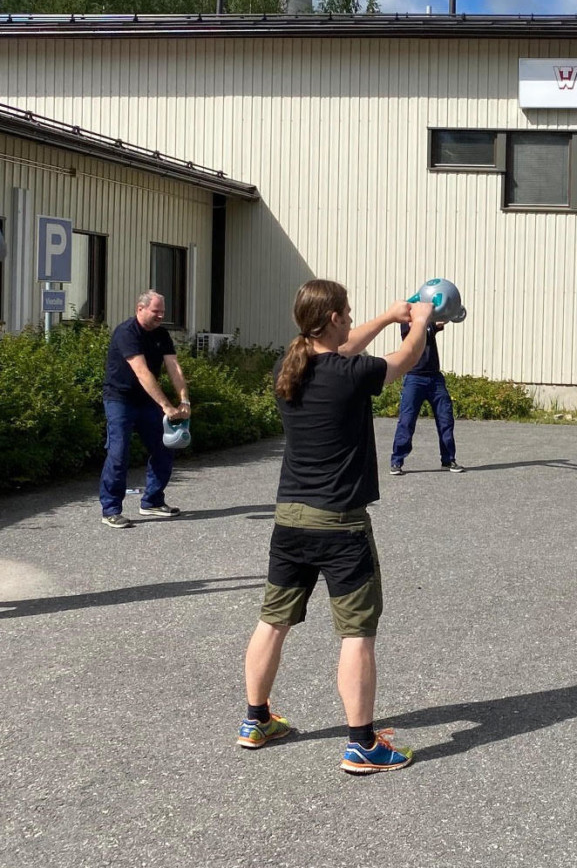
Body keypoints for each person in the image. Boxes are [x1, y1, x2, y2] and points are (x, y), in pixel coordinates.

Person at [237, 280, 432, 774]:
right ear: (335, 320)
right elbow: (406, 359)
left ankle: (255, 721)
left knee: (272, 621)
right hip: (341, 525)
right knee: (357, 634)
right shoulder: (353, 372)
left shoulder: (290, 366)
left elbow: (339, 347)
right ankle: (362, 744)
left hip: (290, 522)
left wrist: (390, 316)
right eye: (348, 311)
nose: (352, 317)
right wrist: (421, 322)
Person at [99, 290, 191, 529]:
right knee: (118, 452)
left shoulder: (161, 334)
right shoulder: (126, 333)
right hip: (120, 399)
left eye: (163, 312)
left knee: (164, 447)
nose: (161, 316)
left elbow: (174, 368)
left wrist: (184, 401)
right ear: (140, 309)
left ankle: (152, 501)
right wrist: (166, 406)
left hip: (146, 401)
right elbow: (142, 373)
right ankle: (111, 509)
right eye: (156, 311)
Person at [389, 320, 463, 475]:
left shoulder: (429, 322)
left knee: (446, 419)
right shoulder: (408, 322)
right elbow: (412, 333)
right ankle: (397, 461)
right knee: (407, 420)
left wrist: (447, 313)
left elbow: (441, 322)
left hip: (435, 378)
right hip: (414, 377)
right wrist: (424, 319)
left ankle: (448, 459)